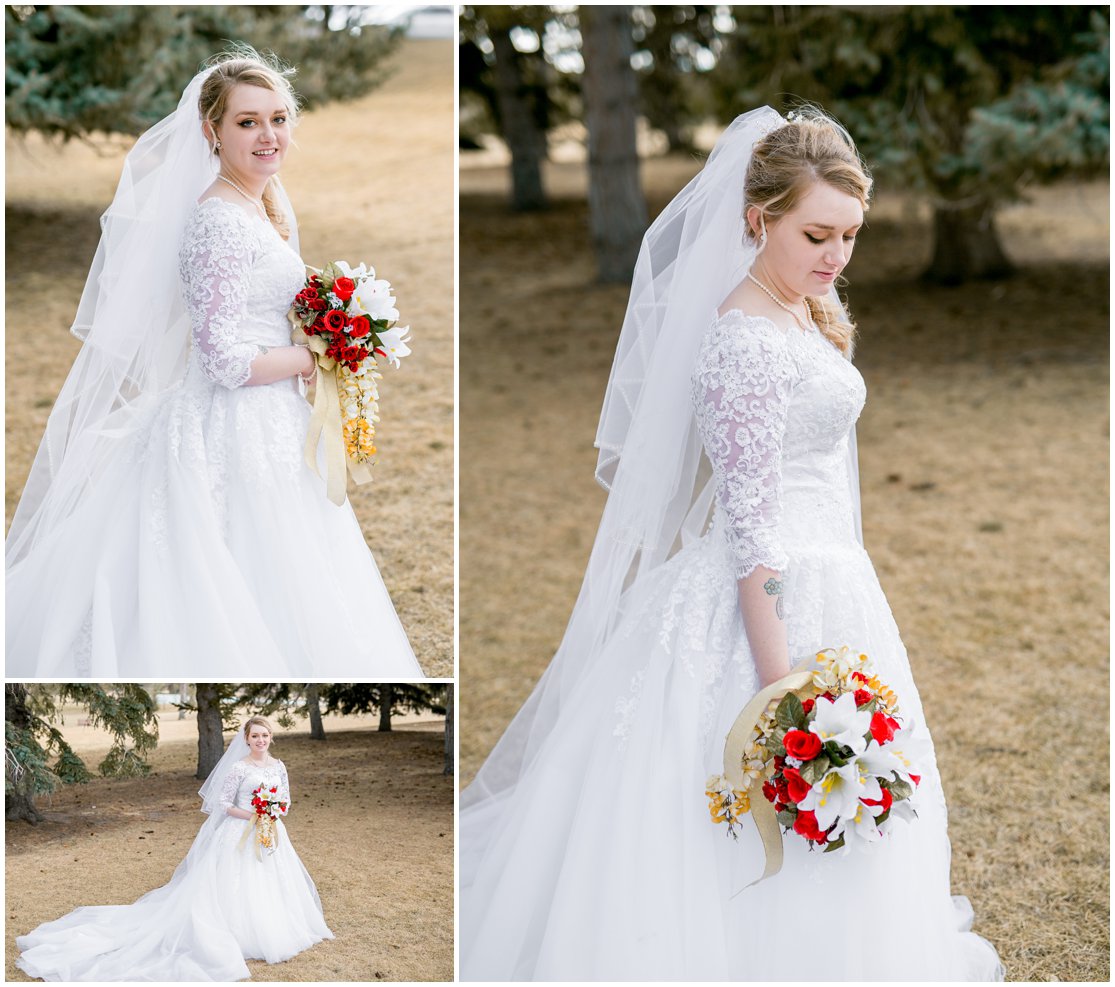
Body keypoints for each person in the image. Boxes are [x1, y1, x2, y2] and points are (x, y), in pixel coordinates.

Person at [460, 107, 1006, 980]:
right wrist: (782, 694)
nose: (835, 257)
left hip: (834, 578)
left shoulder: (802, 307)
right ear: (756, 218)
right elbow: (751, 533)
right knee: (742, 801)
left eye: (849, 235)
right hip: (767, 602)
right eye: (815, 234)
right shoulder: (744, 343)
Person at [6, 50, 420, 677]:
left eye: (278, 119)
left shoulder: (263, 204)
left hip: (270, 420)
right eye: (247, 122)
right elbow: (224, 357)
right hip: (227, 426)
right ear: (212, 131)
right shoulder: (218, 221)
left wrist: (332, 326)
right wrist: (320, 353)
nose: (268, 135)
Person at [15, 716, 333, 981]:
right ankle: (237, 933)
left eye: (265, 735)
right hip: (240, 830)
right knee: (235, 882)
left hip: (272, 832)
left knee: (272, 880)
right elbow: (223, 804)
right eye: (255, 736)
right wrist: (254, 814)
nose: (261, 740)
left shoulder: (278, 766)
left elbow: (287, 799)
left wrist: (273, 812)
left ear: (271, 738)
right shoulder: (239, 768)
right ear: (246, 739)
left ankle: (275, 928)